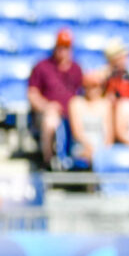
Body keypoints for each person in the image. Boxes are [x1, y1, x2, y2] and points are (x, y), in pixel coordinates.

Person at [27, 28, 83, 169]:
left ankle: (79, 160)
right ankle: (50, 160)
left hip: (72, 115)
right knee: (51, 120)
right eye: (60, 46)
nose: (63, 50)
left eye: (66, 47)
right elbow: (32, 94)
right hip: (48, 114)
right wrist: (47, 106)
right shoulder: (42, 67)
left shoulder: (76, 69)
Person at [68, 71, 113, 168]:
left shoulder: (105, 104)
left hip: (101, 148)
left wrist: (103, 150)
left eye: (98, 86)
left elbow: (109, 134)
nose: (95, 89)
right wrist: (91, 148)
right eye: (91, 85)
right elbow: (77, 133)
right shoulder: (76, 103)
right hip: (81, 146)